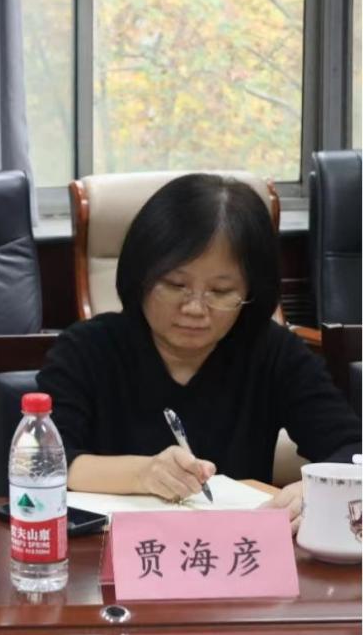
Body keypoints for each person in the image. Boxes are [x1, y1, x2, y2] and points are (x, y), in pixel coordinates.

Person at [36, 173, 360, 531]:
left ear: (251, 292)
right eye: (175, 285)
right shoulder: (87, 349)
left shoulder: (272, 351)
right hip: (107, 553)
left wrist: (312, 490)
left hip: (237, 551)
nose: (194, 308)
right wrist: (143, 473)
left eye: (220, 292)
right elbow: (45, 461)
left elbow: (351, 449)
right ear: (141, 277)